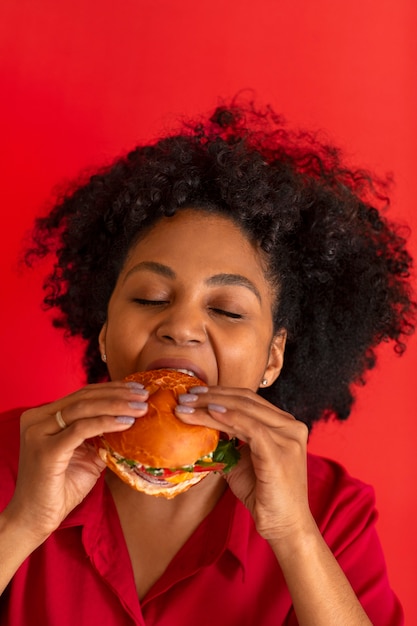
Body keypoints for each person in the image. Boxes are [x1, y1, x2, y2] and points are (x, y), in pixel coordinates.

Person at [0, 102, 414, 625]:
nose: (182, 326)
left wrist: (293, 536)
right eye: (150, 297)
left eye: (226, 309)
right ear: (105, 334)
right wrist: (22, 523)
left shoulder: (332, 511)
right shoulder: (11, 456)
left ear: (272, 359)